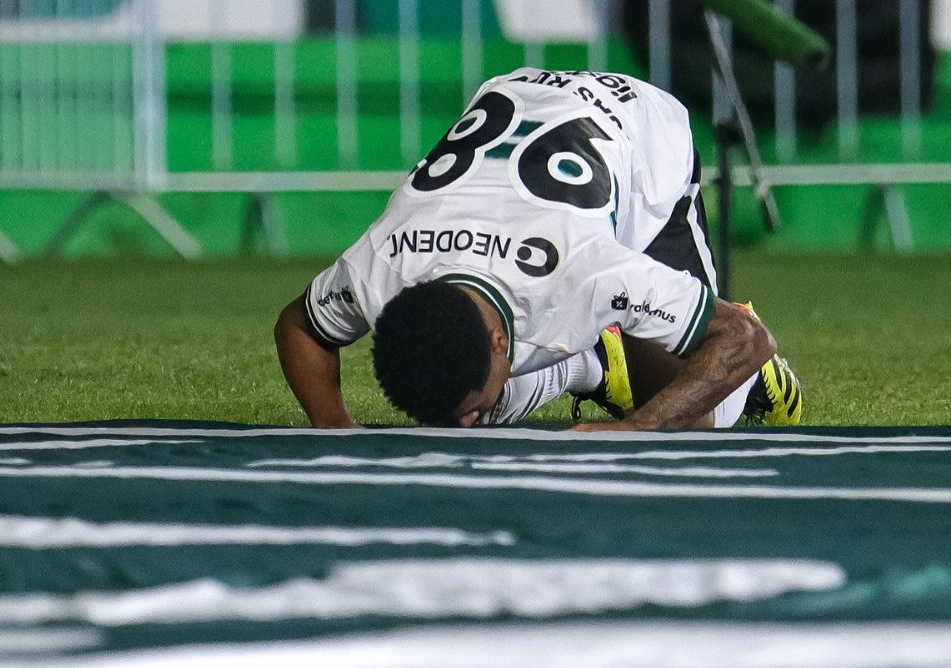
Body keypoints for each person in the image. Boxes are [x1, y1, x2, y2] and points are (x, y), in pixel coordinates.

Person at [274, 68, 801, 430]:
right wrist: (334, 428)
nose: (459, 427)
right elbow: (300, 326)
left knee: (687, 425)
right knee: (481, 405)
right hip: (523, 109)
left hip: (637, 133)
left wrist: (638, 428)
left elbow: (744, 337)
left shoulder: (590, 273)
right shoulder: (381, 268)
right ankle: (593, 362)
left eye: (466, 410)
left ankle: (752, 387)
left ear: (502, 339)